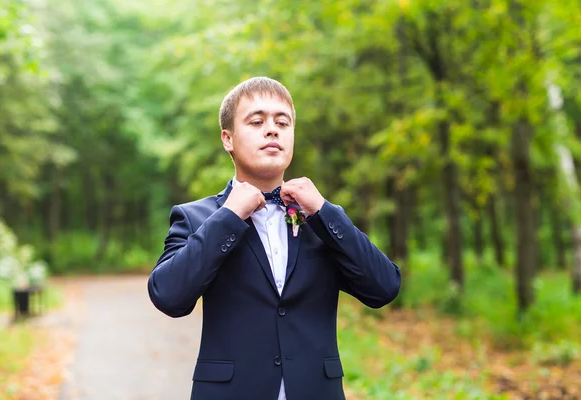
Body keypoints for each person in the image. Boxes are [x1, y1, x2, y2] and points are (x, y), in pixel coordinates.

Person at [147, 77, 401, 400]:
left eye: (283, 122)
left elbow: (384, 287)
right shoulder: (195, 218)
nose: (272, 129)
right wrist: (228, 217)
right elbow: (168, 295)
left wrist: (324, 212)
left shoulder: (320, 218)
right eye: (257, 121)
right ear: (228, 139)